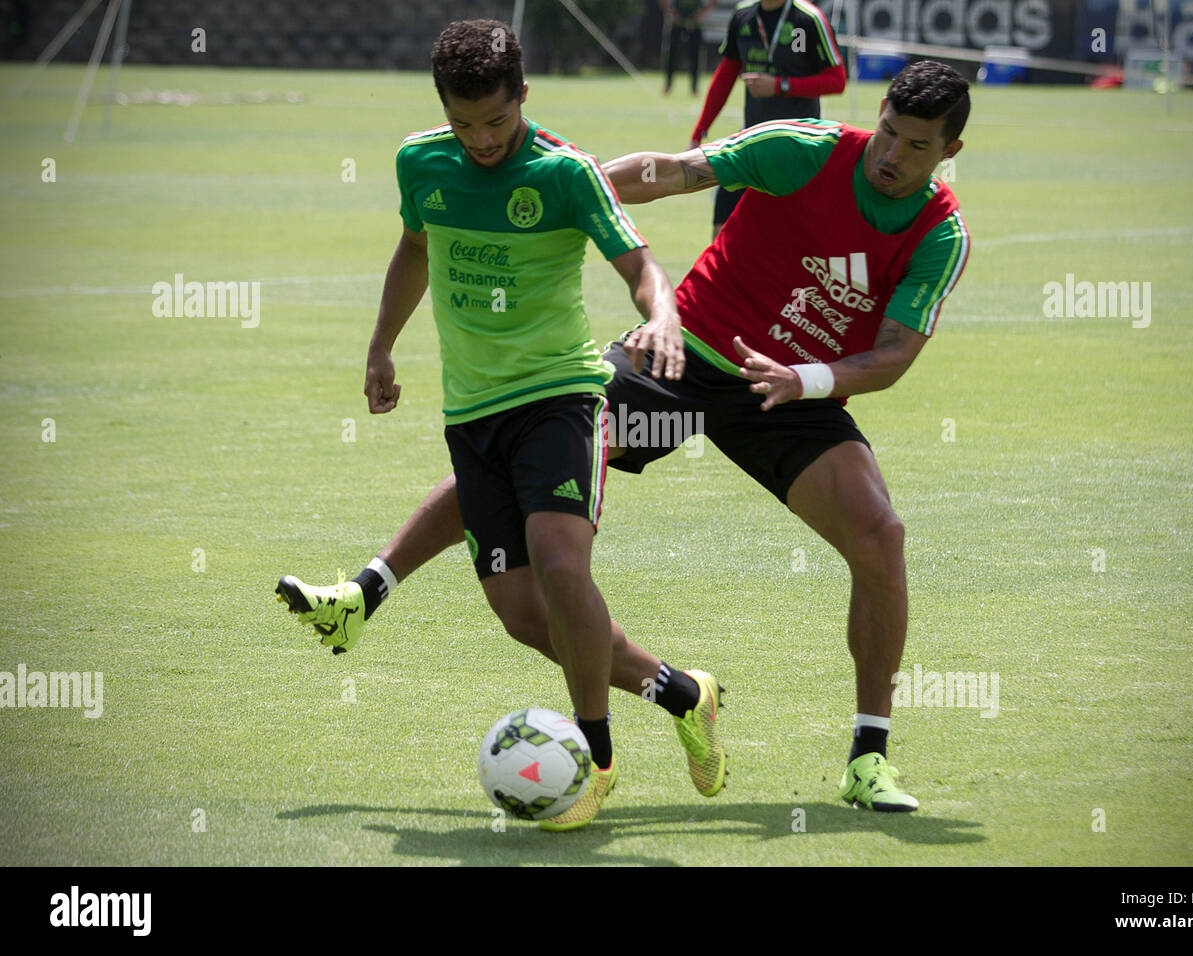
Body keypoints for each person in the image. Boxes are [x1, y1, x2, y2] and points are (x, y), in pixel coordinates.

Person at [281, 60, 972, 813]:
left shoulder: (940, 235)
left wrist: (801, 379)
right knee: (527, 450)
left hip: (791, 392)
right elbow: (672, 171)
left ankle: (868, 760)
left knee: (881, 535)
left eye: (916, 146)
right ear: (878, 114)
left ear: (949, 151)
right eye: (889, 133)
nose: (892, 156)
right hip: (676, 359)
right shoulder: (805, 149)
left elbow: (893, 355)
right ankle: (367, 590)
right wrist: (558, 190)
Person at [276, 19, 726, 832]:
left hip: (559, 398)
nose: (482, 140)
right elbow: (414, 248)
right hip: (471, 411)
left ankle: (599, 760)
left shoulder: (567, 173)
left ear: (523, 95)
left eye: (496, 121)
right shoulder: (422, 161)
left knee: (561, 563)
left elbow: (641, 265)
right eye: (464, 124)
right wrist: (380, 347)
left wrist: (660, 318)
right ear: (444, 109)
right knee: (526, 616)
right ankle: (684, 692)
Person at [691, 0, 846, 236]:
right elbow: (726, 73)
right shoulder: (743, 15)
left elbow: (837, 80)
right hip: (751, 140)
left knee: (788, 236)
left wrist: (780, 86)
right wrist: (700, 130)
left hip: (797, 146)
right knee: (722, 226)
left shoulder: (808, 19)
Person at [659, 0, 718, 96]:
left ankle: (694, 88)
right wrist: (670, 12)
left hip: (696, 25)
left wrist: (703, 12)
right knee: (671, 55)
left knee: (695, 56)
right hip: (676, 24)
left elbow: (714, 1)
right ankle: (667, 85)